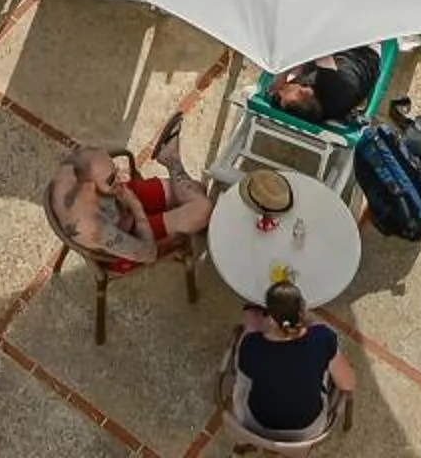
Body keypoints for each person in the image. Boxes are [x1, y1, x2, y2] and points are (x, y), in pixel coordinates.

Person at [50, 119, 212, 271]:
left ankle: (170, 159)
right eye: (112, 177)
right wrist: (135, 205)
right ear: (88, 188)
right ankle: (172, 160)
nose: (120, 177)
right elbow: (149, 254)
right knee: (202, 209)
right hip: (129, 237)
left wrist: (116, 188)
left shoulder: (76, 166)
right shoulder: (93, 227)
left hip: (118, 201)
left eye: (115, 170)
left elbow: (98, 166)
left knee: (197, 188)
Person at [236, 281, 353, 434]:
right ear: (302, 311)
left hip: (258, 424)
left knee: (245, 377)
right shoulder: (322, 338)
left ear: (270, 317)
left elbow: (245, 369)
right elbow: (348, 384)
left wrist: (253, 326)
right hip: (306, 429)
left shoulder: (251, 345)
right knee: (330, 351)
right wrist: (313, 320)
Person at [266, 43, 382, 124]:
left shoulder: (311, 108)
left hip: (341, 59)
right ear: (307, 91)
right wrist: (283, 75)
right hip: (363, 50)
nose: (281, 89)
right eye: (286, 90)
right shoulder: (335, 87)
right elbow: (316, 46)